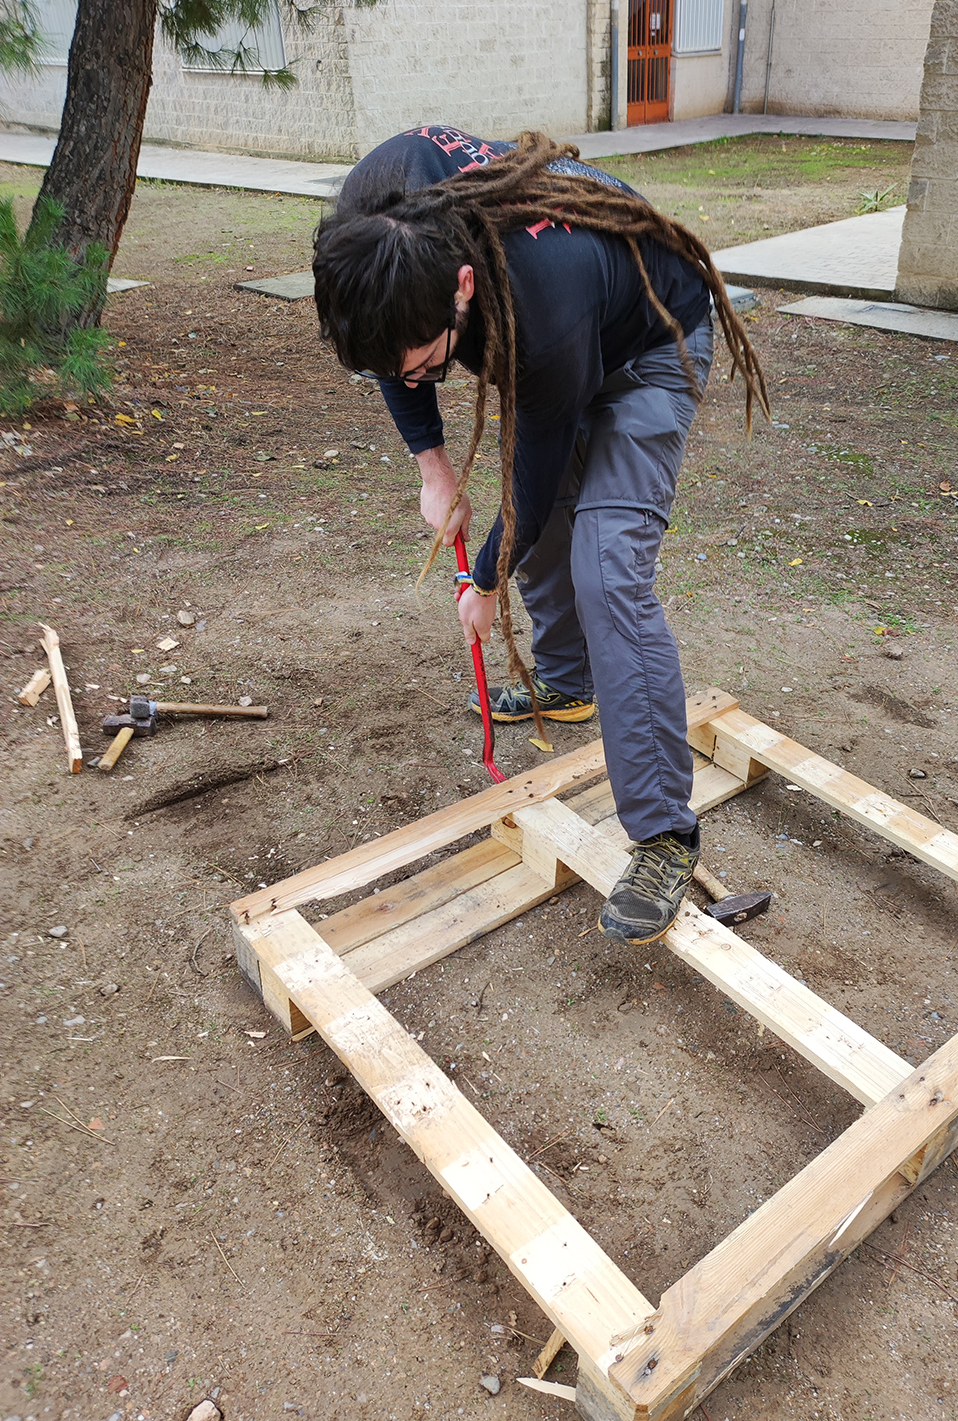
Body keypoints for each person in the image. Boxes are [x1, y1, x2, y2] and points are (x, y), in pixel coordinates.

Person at [313, 126, 767, 947]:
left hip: (651, 339)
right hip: (565, 326)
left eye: (427, 364)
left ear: (459, 287)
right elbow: (392, 354)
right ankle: (566, 680)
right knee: (552, 530)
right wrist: (433, 469)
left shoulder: (538, 299)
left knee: (606, 571)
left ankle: (664, 834)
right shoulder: (375, 221)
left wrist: (482, 580)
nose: (415, 380)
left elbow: (537, 471)